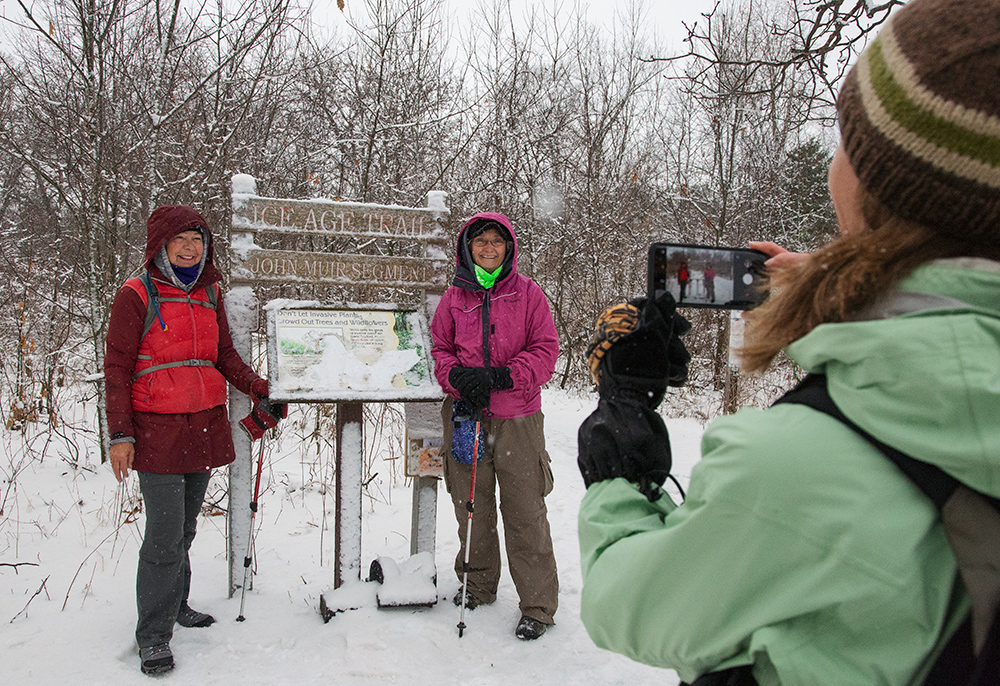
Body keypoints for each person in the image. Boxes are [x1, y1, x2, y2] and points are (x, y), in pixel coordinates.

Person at [577, 0, 1000, 683]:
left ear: (873, 182)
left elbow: (629, 605)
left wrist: (621, 456)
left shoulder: (798, 465)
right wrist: (846, 294)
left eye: (846, 139)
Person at [105, 205, 277, 675]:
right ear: (160, 245)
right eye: (180, 239)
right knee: (162, 537)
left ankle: (176, 604)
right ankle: (154, 636)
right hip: (155, 430)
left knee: (183, 528)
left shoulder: (209, 291)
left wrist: (259, 385)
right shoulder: (136, 294)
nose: (189, 247)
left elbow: (223, 355)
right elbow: (117, 371)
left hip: (201, 424)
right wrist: (120, 434)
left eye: (197, 240)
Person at [431, 212, 560, 640]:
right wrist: (458, 379)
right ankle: (478, 583)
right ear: (468, 248)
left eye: (496, 242)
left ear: (509, 248)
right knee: (472, 506)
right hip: (467, 416)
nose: (488, 248)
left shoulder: (528, 295)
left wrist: (506, 376)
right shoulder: (454, 298)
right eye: (480, 241)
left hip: (517, 419)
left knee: (525, 510)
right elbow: (439, 349)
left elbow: (545, 349)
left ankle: (538, 606)